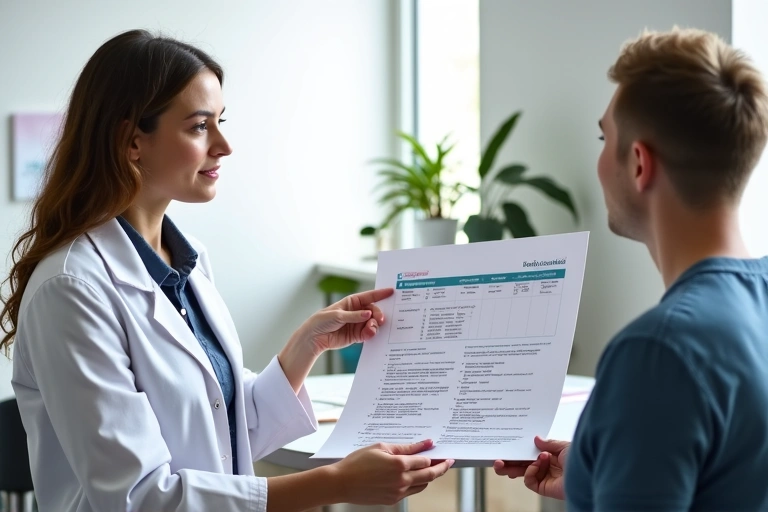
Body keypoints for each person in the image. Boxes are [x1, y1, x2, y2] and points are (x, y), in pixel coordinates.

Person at [0, 29, 453, 512]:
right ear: (132, 142)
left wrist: (307, 344)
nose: (224, 145)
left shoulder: (187, 259)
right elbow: (139, 499)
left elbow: (223, 432)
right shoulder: (70, 289)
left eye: (220, 121)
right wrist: (336, 484)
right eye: (199, 126)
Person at [494, 27, 768, 510]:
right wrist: (600, 473)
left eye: (605, 137)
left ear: (640, 163)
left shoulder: (657, 352)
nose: (600, 158)